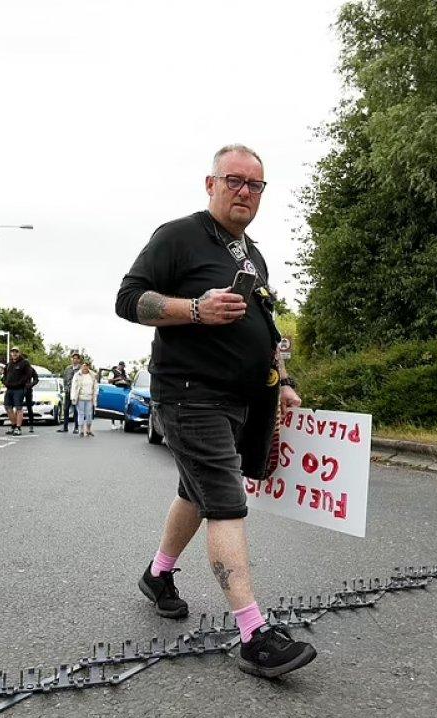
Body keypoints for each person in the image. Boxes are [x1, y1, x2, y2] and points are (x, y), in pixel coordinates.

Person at [114, 143, 314, 678]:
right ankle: (254, 634)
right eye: (234, 181)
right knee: (225, 501)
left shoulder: (253, 254)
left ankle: (158, 575)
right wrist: (195, 310)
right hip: (189, 392)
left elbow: (264, 328)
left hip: (245, 398)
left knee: (195, 492)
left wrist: (285, 382)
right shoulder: (178, 236)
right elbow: (128, 299)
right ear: (211, 184)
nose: (245, 192)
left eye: (255, 185)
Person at [3, 348, 35, 436]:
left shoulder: (24, 363)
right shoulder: (9, 364)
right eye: (13, 352)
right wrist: (5, 382)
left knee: (18, 408)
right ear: (10, 353)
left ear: (19, 353)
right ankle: (13, 426)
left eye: (16, 352)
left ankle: (18, 428)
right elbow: (4, 375)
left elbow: (28, 375)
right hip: (9, 389)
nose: (14, 354)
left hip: (19, 389)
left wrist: (21, 383)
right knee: (7, 407)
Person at [71, 361, 99, 437]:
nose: (85, 367)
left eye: (87, 366)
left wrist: (96, 394)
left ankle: (88, 429)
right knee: (80, 413)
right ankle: (81, 431)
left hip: (89, 398)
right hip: (80, 397)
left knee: (89, 414)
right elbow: (74, 386)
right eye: (84, 366)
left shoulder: (93, 375)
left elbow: (96, 386)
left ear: (88, 367)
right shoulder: (77, 375)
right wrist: (73, 397)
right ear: (81, 366)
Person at [57, 352, 83, 434]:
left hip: (76, 393)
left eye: (76, 358)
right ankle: (65, 427)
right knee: (66, 409)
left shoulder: (81, 369)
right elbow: (65, 379)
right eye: (73, 358)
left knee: (76, 410)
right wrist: (65, 388)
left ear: (79, 360)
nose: (74, 360)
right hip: (68, 392)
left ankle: (76, 427)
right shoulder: (68, 368)